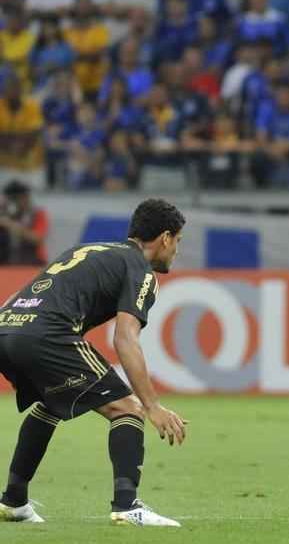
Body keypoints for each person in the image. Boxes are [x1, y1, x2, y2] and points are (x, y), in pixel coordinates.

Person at [0, 198, 188, 526]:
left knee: (51, 403)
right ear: (165, 238)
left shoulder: (88, 250)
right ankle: (128, 507)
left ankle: (14, 500)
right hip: (46, 334)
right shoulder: (140, 270)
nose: (177, 251)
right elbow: (125, 338)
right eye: (178, 242)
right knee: (128, 408)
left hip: (7, 327)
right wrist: (152, 405)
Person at [0, 180, 48, 265]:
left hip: (33, 263)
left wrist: (10, 224)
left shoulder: (37, 214)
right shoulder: (5, 213)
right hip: (7, 264)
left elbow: (37, 239)